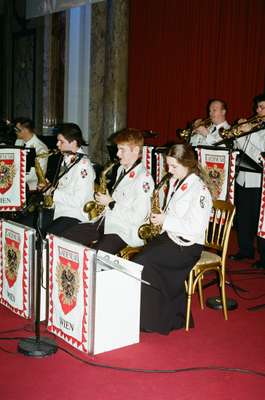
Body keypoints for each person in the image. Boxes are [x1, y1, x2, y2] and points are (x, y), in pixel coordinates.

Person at [132, 143, 213, 334]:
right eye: (168, 165)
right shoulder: (178, 181)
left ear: (188, 164)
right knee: (140, 259)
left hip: (188, 245)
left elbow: (195, 227)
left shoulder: (200, 191)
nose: (169, 170)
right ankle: (159, 314)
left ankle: (156, 321)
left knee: (143, 263)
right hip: (171, 237)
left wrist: (165, 220)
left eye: (174, 166)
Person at [61, 128, 154, 255]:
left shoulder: (144, 179)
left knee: (96, 255)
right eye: (118, 149)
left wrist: (111, 203)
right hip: (107, 221)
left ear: (136, 150)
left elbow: (138, 217)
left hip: (125, 230)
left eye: (122, 150)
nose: (117, 154)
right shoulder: (121, 169)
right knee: (66, 237)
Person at [229, 93, 265, 269]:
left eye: (262, 107)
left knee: (259, 220)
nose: (258, 110)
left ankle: (263, 257)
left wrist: (249, 130)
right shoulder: (255, 126)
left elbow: (262, 147)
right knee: (243, 217)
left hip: (260, 181)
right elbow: (241, 148)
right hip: (243, 178)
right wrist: (240, 133)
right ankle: (245, 250)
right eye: (258, 107)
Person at [43, 123, 95, 235]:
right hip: (59, 210)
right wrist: (48, 188)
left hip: (74, 215)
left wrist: (53, 194)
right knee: (29, 224)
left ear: (74, 143)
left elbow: (79, 201)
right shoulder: (67, 158)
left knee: (46, 236)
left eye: (61, 142)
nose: (57, 144)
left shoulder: (83, 166)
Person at [15, 118, 48, 191]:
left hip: (32, 189)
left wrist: (13, 178)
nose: (15, 132)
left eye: (17, 130)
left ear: (25, 130)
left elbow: (35, 175)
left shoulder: (40, 149)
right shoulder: (18, 142)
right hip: (17, 185)